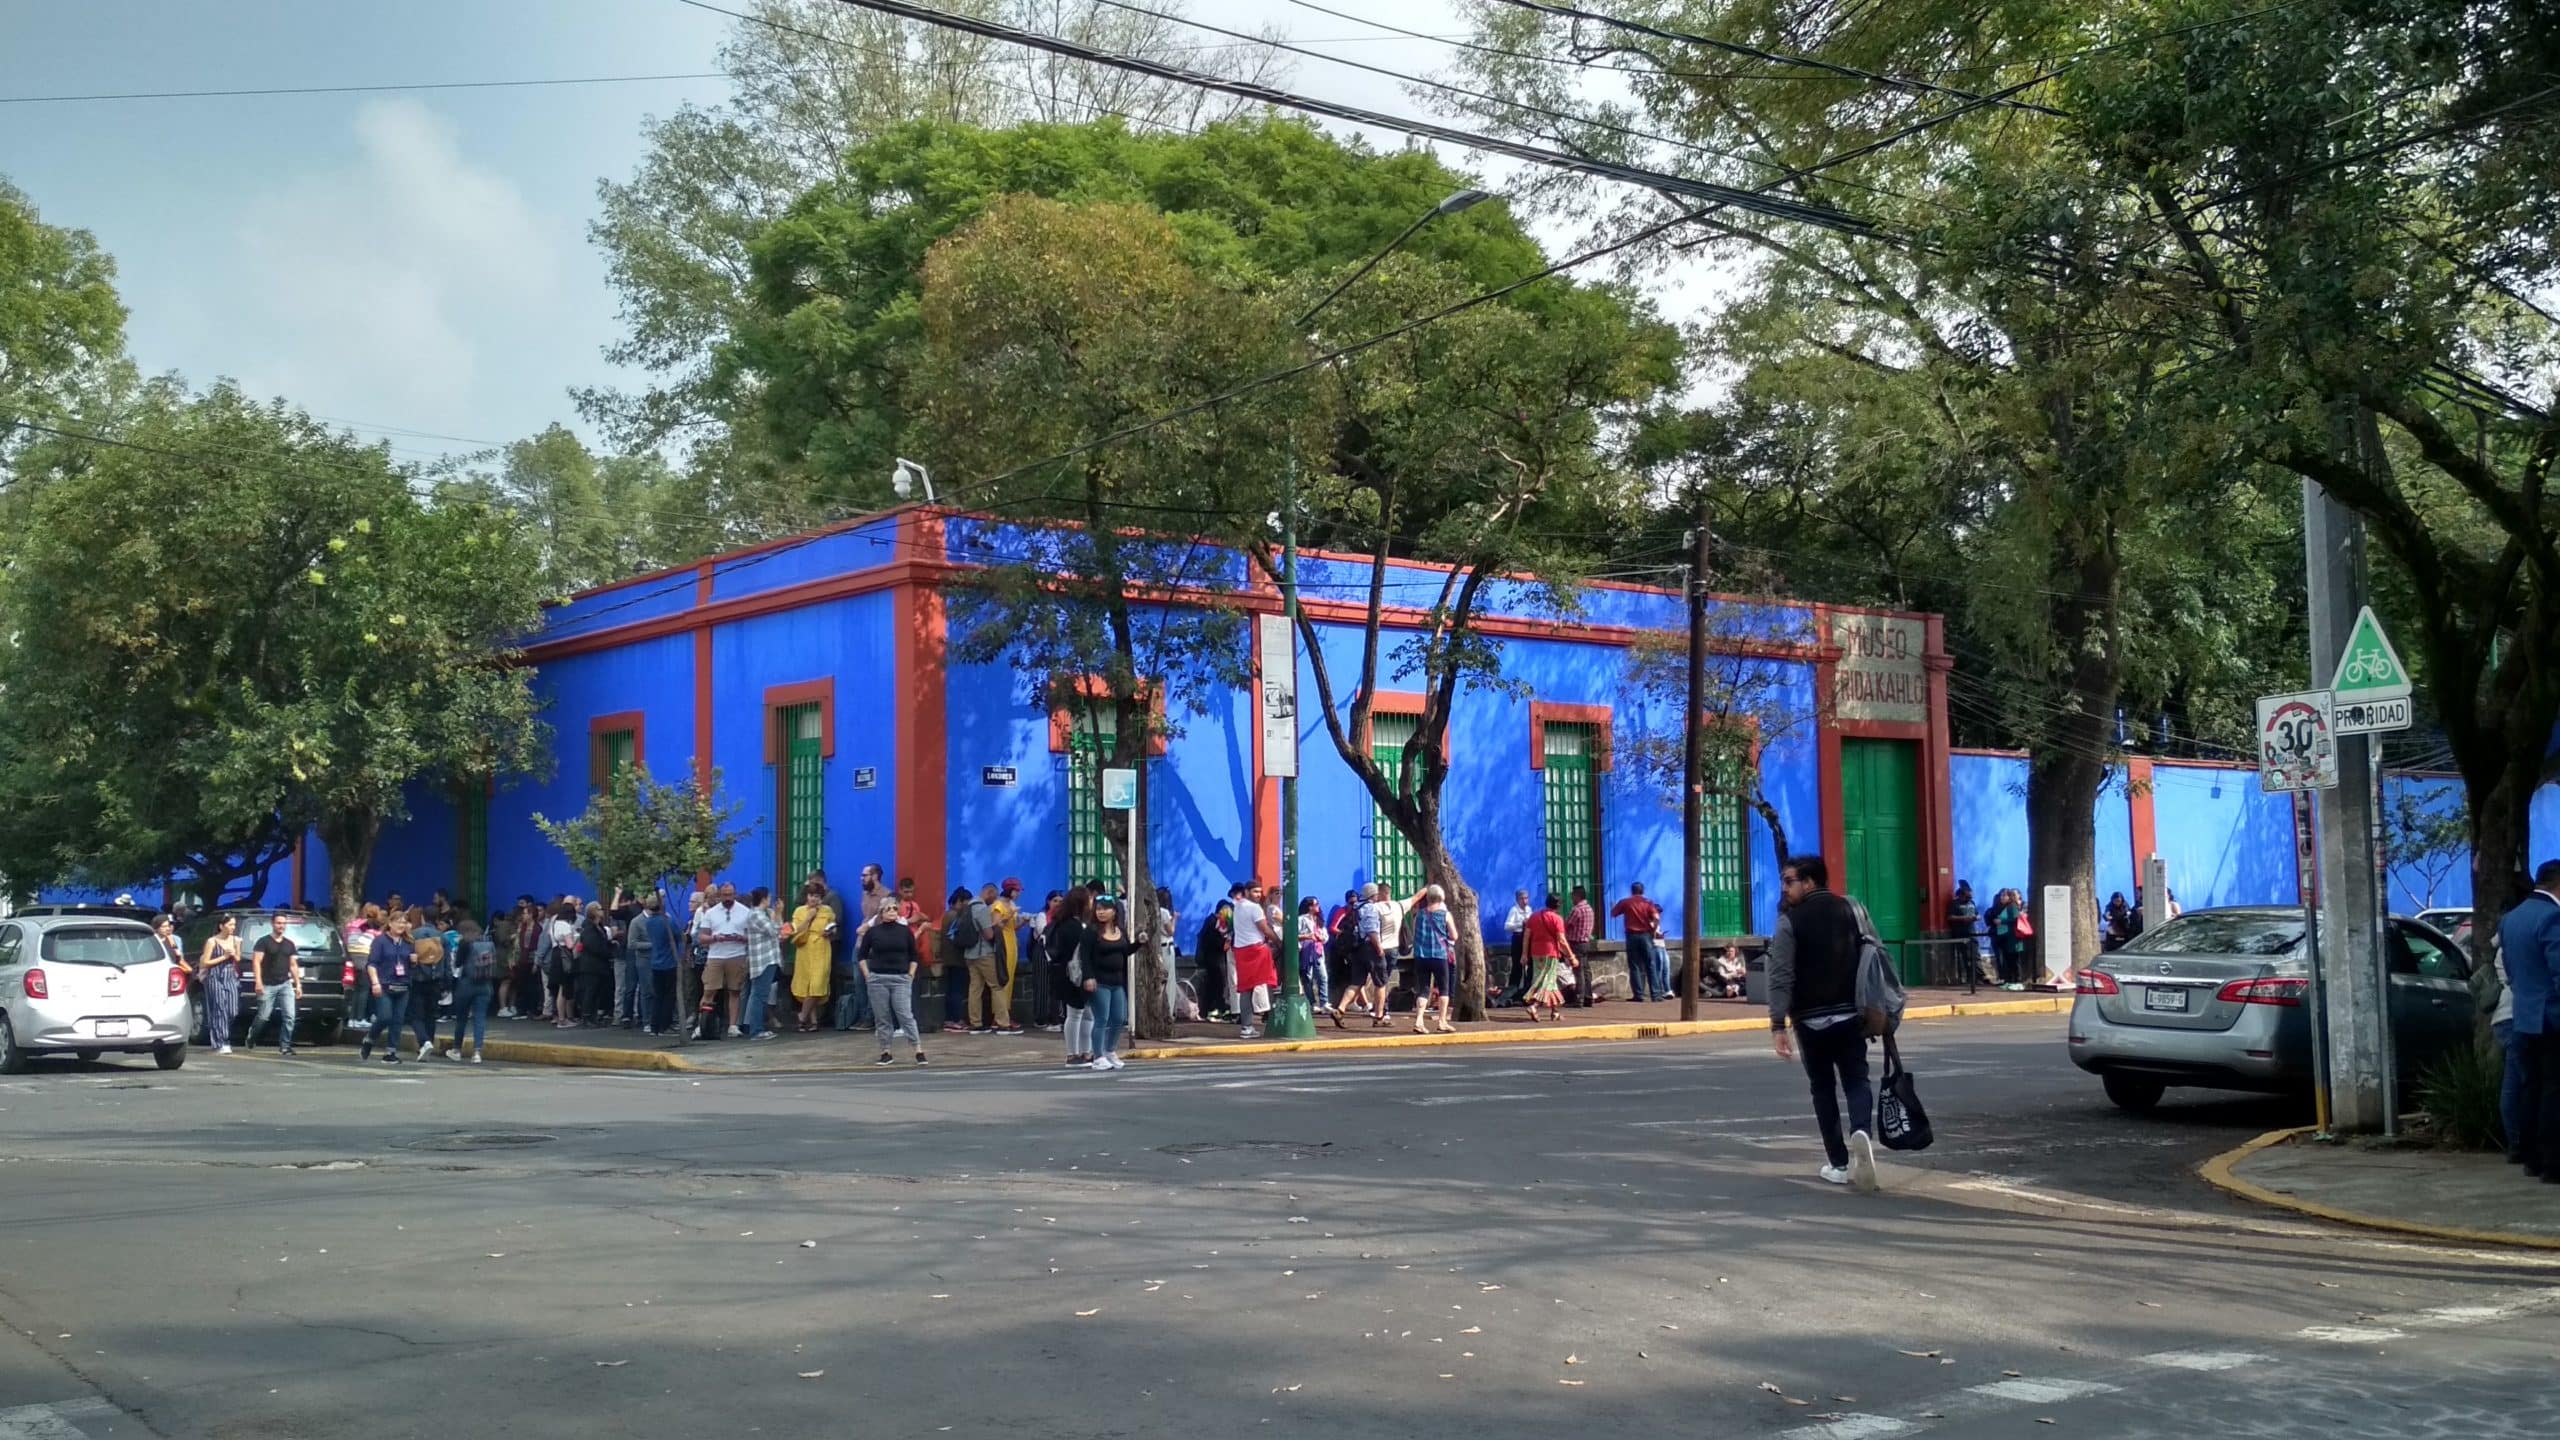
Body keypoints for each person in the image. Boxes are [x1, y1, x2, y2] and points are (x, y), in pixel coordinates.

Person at [1768, 854, 1879, 1193]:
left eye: (1790, 881)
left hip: (1810, 1020)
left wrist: (1777, 1024)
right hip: (1849, 1013)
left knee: (1822, 1089)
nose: (1784, 888)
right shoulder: (1852, 909)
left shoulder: (1790, 921)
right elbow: (1873, 951)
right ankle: (1861, 1129)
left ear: (1810, 881)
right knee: (1857, 1080)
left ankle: (1838, 1162)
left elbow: (1781, 973)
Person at [2498, 860, 2560, 1183]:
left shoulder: (2510, 920)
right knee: (2553, 1091)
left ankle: (2531, 1158)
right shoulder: (2552, 917)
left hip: (2523, 1017)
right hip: (2552, 1019)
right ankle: (2553, 1163)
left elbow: (2510, 970)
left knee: (2530, 1088)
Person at [858, 894, 926, 1066]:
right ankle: (886, 1051)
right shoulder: (873, 932)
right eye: (888, 908)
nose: (892, 911)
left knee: (905, 1015)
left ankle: (918, 1050)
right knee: (882, 1017)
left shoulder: (905, 932)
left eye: (895, 908)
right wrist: (868, 976)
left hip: (900, 978)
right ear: (881, 913)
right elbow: (862, 955)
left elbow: (913, 955)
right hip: (878, 978)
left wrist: (910, 974)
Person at [1078, 893, 1136, 1070]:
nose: (1101, 912)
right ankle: (1098, 1056)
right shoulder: (1091, 932)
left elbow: (1125, 951)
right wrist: (1088, 977)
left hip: (1117, 982)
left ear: (1114, 911)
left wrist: (1140, 943)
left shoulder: (1120, 931)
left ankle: (1110, 1050)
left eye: (1105, 909)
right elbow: (1084, 957)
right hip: (1099, 981)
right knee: (1101, 1018)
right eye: (1098, 909)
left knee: (1119, 1018)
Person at [690, 883, 751, 1040]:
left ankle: (733, 1025)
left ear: (735, 894)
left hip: (737, 954)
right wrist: (715, 938)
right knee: (709, 990)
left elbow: (752, 936)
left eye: (730, 894)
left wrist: (741, 938)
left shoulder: (745, 912)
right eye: (725, 895)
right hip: (716, 955)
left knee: (734, 990)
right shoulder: (711, 913)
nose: (728, 898)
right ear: (719, 896)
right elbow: (701, 937)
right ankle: (700, 1025)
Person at [358, 912, 416, 1064]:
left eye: (404, 922)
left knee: (398, 1020)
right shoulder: (380, 941)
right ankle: (370, 1038)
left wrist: (414, 961)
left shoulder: (409, 942)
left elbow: (410, 966)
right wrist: (375, 983)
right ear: (390, 923)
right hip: (384, 985)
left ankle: (391, 1052)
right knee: (385, 1017)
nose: (401, 925)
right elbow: (372, 964)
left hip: (403, 985)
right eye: (398, 922)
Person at [247, 913, 303, 1056]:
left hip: (285, 984)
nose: (281, 926)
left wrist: (298, 985)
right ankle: (252, 1035)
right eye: (278, 923)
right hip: (267, 984)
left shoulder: (289, 944)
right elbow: (256, 962)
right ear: (272, 923)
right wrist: (258, 981)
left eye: (284, 923)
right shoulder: (263, 942)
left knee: (290, 1016)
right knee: (264, 1016)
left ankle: (285, 1046)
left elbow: (293, 965)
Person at [1404, 884, 1457, 1034]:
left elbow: (1415, 933)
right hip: (1440, 956)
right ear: (1442, 897)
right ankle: (1442, 1021)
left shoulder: (1419, 915)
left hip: (1421, 956)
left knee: (1424, 989)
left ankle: (1419, 1020)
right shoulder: (1445, 915)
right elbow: (1454, 936)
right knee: (1444, 989)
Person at [1050, 886, 1093, 1067]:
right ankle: (1073, 1054)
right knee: (1076, 1014)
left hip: (1068, 973)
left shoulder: (1063, 924)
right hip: (1075, 975)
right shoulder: (1074, 927)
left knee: (1086, 1015)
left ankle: (1085, 1052)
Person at [1228, 880, 1277, 1039]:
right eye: (1255, 891)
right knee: (1270, 981)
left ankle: (1247, 1026)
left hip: (1241, 950)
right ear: (1247, 892)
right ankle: (1269, 1016)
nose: (1258, 894)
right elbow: (1264, 928)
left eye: (1259, 891)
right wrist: (1278, 941)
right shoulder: (1254, 908)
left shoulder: (1237, 906)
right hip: (1256, 950)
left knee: (1245, 989)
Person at [448, 916, 499, 1063]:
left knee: (461, 1018)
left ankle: (457, 1050)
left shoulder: (465, 943)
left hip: (466, 984)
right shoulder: (487, 942)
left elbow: (458, 964)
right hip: (485, 984)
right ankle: (477, 1053)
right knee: (480, 1018)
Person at [788, 881, 837, 1033]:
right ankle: (813, 1021)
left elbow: (833, 927)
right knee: (807, 984)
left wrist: (830, 932)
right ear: (806, 896)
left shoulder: (827, 910)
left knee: (817, 984)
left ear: (821, 897)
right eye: (811, 895)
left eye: (816, 896)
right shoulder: (799, 911)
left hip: (822, 947)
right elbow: (795, 931)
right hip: (805, 949)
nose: (813, 899)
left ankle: (802, 1016)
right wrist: (809, 918)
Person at [194, 914, 244, 1055]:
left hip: (230, 976)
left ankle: (223, 1035)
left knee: (232, 1010)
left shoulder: (236, 940)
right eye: (229, 925)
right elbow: (205, 962)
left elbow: (238, 958)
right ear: (221, 926)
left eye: (234, 925)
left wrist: (234, 954)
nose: (232, 928)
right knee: (219, 1008)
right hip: (214, 976)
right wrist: (223, 957)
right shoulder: (212, 941)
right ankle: (221, 1042)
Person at [739, 888, 784, 1040]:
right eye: (769, 897)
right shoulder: (756, 915)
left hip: (768, 958)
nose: (770, 900)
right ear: (764, 899)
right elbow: (774, 931)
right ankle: (756, 1030)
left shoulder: (762, 914)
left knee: (760, 995)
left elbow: (779, 931)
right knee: (759, 995)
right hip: (762, 960)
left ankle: (758, 1028)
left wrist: (776, 916)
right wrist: (777, 914)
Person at [1610, 883, 1665, 1004]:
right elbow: (1656, 917)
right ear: (1643, 890)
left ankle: (1638, 994)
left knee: (1634, 965)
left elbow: (1613, 913)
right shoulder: (1648, 902)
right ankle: (1655, 994)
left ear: (1632, 891)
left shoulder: (1626, 902)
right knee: (1650, 964)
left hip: (1632, 935)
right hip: (1646, 935)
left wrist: (1614, 906)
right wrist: (1654, 930)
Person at [1522, 893, 1574, 1023]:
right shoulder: (1557, 919)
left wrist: (1524, 954)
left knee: (1549, 982)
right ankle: (1534, 1007)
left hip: (1535, 954)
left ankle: (1554, 1012)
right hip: (1550, 954)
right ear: (1558, 906)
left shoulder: (1534, 917)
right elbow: (1561, 940)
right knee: (1546, 982)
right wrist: (1571, 956)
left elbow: (1526, 936)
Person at [965, 882, 1009, 1035]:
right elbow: (988, 934)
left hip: (969, 954)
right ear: (989, 892)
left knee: (975, 988)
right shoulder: (981, 909)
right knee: (997, 986)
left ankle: (975, 1023)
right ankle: (1003, 1023)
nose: (994, 901)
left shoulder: (968, 907)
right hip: (984, 953)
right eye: (994, 897)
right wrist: (997, 927)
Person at [408, 908, 451, 1058]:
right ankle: (429, 1043)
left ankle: (424, 1042)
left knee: (415, 1015)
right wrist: (447, 983)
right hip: (436, 980)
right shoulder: (443, 938)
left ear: (423, 918)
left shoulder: (413, 935)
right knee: (431, 1015)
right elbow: (447, 963)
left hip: (417, 980)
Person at [988, 878, 1028, 1036]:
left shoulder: (1010, 905)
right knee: (1002, 979)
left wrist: (1023, 922)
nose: (1018, 894)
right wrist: (1010, 914)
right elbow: (996, 925)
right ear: (1010, 890)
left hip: (1011, 942)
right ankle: (998, 1016)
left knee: (1009, 979)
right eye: (1016, 891)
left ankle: (1005, 1014)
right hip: (1002, 943)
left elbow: (1013, 927)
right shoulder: (998, 906)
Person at [939, 886, 978, 1035]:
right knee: (956, 990)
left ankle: (953, 1019)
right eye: (967, 903)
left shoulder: (948, 915)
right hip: (957, 959)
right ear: (960, 902)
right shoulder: (956, 917)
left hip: (951, 958)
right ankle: (953, 1019)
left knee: (954, 989)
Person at [1193, 899, 1231, 1022]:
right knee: (1216, 985)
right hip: (1214, 958)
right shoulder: (1214, 923)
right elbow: (1216, 943)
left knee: (1214, 985)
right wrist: (1226, 941)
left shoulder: (1212, 921)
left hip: (1212, 958)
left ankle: (1212, 1009)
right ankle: (1212, 1010)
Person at [1296, 896, 1329, 1013]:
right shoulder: (1301, 919)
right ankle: (1311, 1002)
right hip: (1306, 951)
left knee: (1323, 976)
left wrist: (1322, 938)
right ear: (1309, 907)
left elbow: (1325, 935)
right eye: (1315, 904)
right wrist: (1307, 936)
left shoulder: (1319, 920)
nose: (1318, 906)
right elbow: (1295, 934)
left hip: (1318, 951)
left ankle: (1324, 1002)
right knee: (1307, 977)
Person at [1501, 889, 1533, 1007]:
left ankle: (1525, 992)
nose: (1525, 901)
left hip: (1528, 938)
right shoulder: (1514, 910)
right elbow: (1507, 926)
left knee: (1529, 967)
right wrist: (1521, 923)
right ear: (1517, 899)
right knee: (1517, 967)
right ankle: (1511, 993)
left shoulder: (1529, 909)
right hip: (1518, 938)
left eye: (1526, 898)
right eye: (1522, 898)